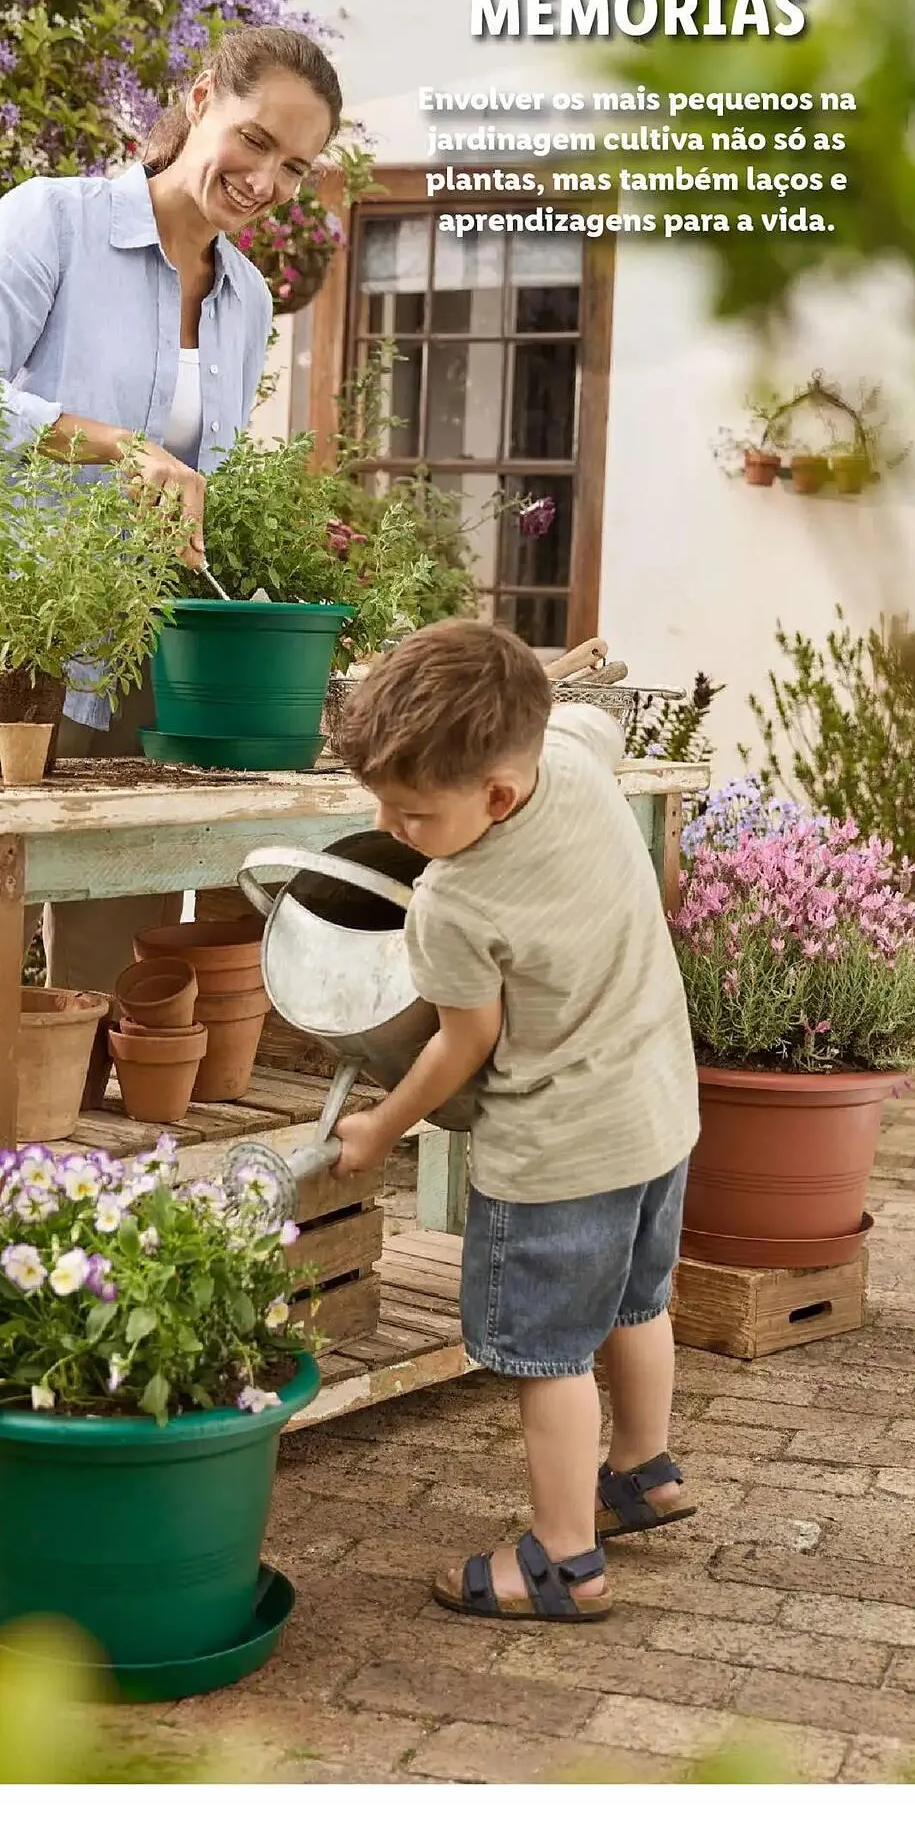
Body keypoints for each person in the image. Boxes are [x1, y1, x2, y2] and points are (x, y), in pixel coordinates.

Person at [0, 24, 341, 1094]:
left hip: (135, 646)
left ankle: (66, 1201)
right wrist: (118, 445)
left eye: (295, 167)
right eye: (253, 139)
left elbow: (193, 476)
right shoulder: (56, 222)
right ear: (202, 94)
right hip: (5, 627)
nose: (265, 180)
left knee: (110, 926)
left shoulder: (247, 298)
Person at [332, 619, 700, 1621]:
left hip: (558, 1152)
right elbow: (587, 713)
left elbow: (461, 1044)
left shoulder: (451, 900)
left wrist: (379, 1127)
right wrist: (519, 682)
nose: (392, 825)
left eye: (411, 813)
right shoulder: (571, 760)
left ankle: (564, 1561)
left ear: (493, 794)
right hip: (658, 1112)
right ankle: (643, 1469)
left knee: (549, 1356)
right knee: (635, 1298)